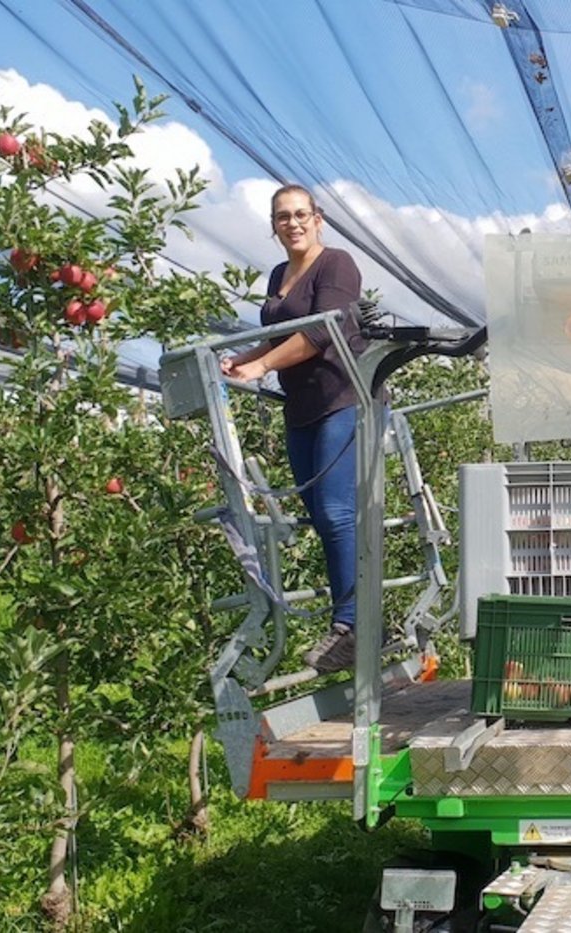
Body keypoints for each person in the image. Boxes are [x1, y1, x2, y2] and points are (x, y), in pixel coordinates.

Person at [222, 184, 379, 673]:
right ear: (274, 225)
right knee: (321, 516)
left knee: (337, 513)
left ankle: (353, 627)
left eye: (300, 214)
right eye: (282, 217)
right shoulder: (278, 275)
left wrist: (262, 364)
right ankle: (364, 619)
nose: (292, 223)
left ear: (318, 219)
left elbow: (316, 333)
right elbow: (276, 333)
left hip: (347, 398)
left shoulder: (337, 265)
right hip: (303, 409)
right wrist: (238, 360)